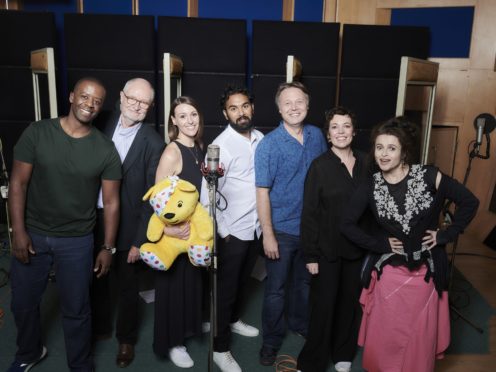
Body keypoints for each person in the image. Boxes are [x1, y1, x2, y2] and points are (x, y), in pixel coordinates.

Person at [340, 117, 479, 372]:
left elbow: (469, 201)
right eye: (379, 147)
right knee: (387, 336)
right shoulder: (370, 185)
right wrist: (380, 243)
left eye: (391, 148)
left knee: (418, 337)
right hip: (389, 275)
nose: (383, 154)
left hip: (425, 274)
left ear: (404, 151)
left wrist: (446, 234)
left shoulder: (429, 175)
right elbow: (347, 224)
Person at [8, 77, 122, 372]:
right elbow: (18, 184)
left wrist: (108, 246)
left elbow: (111, 202)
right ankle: (29, 352)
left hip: (77, 240)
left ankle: (80, 365)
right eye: (85, 97)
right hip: (33, 233)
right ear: (72, 97)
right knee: (23, 303)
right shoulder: (38, 132)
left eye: (97, 101)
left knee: (77, 309)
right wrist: (17, 232)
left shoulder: (105, 149)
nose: (90, 104)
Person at [91, 78, 164, 368]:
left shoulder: (154, 142)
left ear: (151, 106)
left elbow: (151, 197)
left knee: (127, 286)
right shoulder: (100, 123)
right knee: (94, 278)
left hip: (129, 224)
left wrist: (139, 240)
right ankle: (99, 328)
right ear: (120, 97)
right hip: (91, 217)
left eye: (144, 101)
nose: (136, 104)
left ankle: (126, 339)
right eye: (132, 98)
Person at [255, 81, 327, 366]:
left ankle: (299, 324)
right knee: (276, 290)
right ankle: (270, 342)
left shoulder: (317, 136)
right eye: (287, 103)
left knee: (304, 285)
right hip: (281, 230)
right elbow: (262, 192)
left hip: (311, 230)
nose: (294, 107)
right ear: (279, 108)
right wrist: (268, 235)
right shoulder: (269, 145)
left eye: (299, 102)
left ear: (308, 106)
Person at [297, 107, 368, 372]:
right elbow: (310, 214)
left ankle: (343, 353)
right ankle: (312, 361)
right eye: (335, 127)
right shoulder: (319, 167)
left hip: (358, 251)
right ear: (328, 135)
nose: (341, 132)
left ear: (354, 131)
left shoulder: (367, 163)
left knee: (349, 305)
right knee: (324, 307)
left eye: (346, 126)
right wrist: (311, 256)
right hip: (326, 251)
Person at [199, 86, 263, 372]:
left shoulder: (261, 139)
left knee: (242, 283)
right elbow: (207, 194)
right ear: (226, 113)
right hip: (232, 231)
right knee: (224, 291)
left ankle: (234, 321)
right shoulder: (220, 146)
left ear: (252, 107)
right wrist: (222, 231)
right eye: (234, 108)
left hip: (255, 228)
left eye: (245, 106)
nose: (241, 112)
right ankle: (220, 349)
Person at [153, 96, 205, 369]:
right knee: (172, 287)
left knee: (191, 283)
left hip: (193, 231)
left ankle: (186, 330)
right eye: (182, 116)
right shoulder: (172, 152)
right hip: (175, 234)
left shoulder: (198, 147)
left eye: (193, 114)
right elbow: (157, 197)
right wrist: (170, 230)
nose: (189, 120)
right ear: (173, 121)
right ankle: (171, 342)